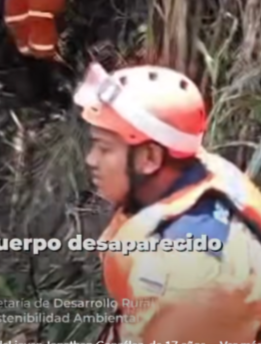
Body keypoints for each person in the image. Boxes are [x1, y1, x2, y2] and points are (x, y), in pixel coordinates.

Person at [74, 62, 261, 342]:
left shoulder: (191, 279)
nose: (91, 160)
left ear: (150, 157)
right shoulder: (197, 170)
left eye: (104, 148)